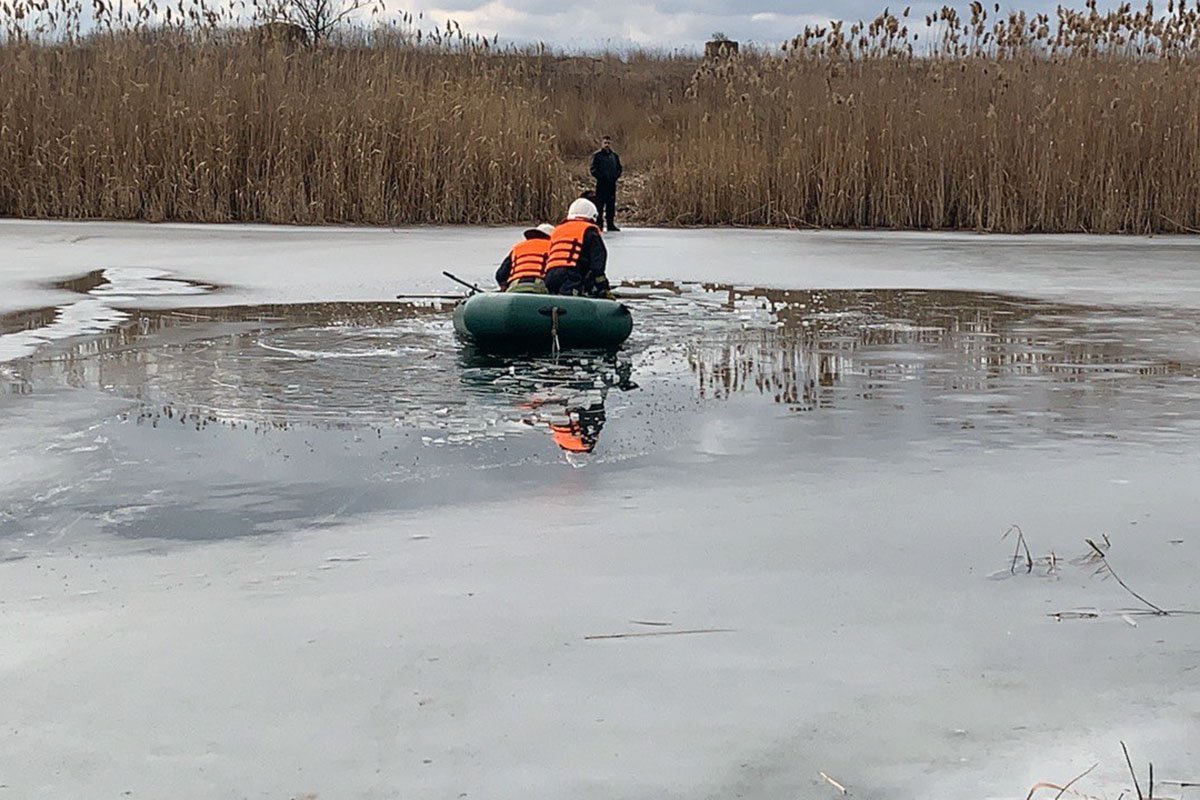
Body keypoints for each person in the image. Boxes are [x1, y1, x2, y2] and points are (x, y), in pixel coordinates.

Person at [544, 198, 613, 298]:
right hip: (571, 276)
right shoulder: (590, 231)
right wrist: (603, 288)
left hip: (550, 276)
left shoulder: (557, 230)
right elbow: (597, 264)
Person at [495, 223, 554, 293]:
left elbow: (500, 275)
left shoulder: (518, 248)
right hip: (539, 285)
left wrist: (504, 287)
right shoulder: (553, 248)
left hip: (515, 285)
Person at [588, 135, 623, 232]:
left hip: (611, 184)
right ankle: (599, 225)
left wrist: (615, 176)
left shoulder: (614, 156)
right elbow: (593, 169)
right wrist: (601, 177)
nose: (607, 145)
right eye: (605, 143)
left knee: (611, 206)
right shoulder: (597, 156)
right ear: (602, 144)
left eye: (608, 143)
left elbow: (619, 168)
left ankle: (610, 224)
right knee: (600, 205)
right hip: (601, 184)